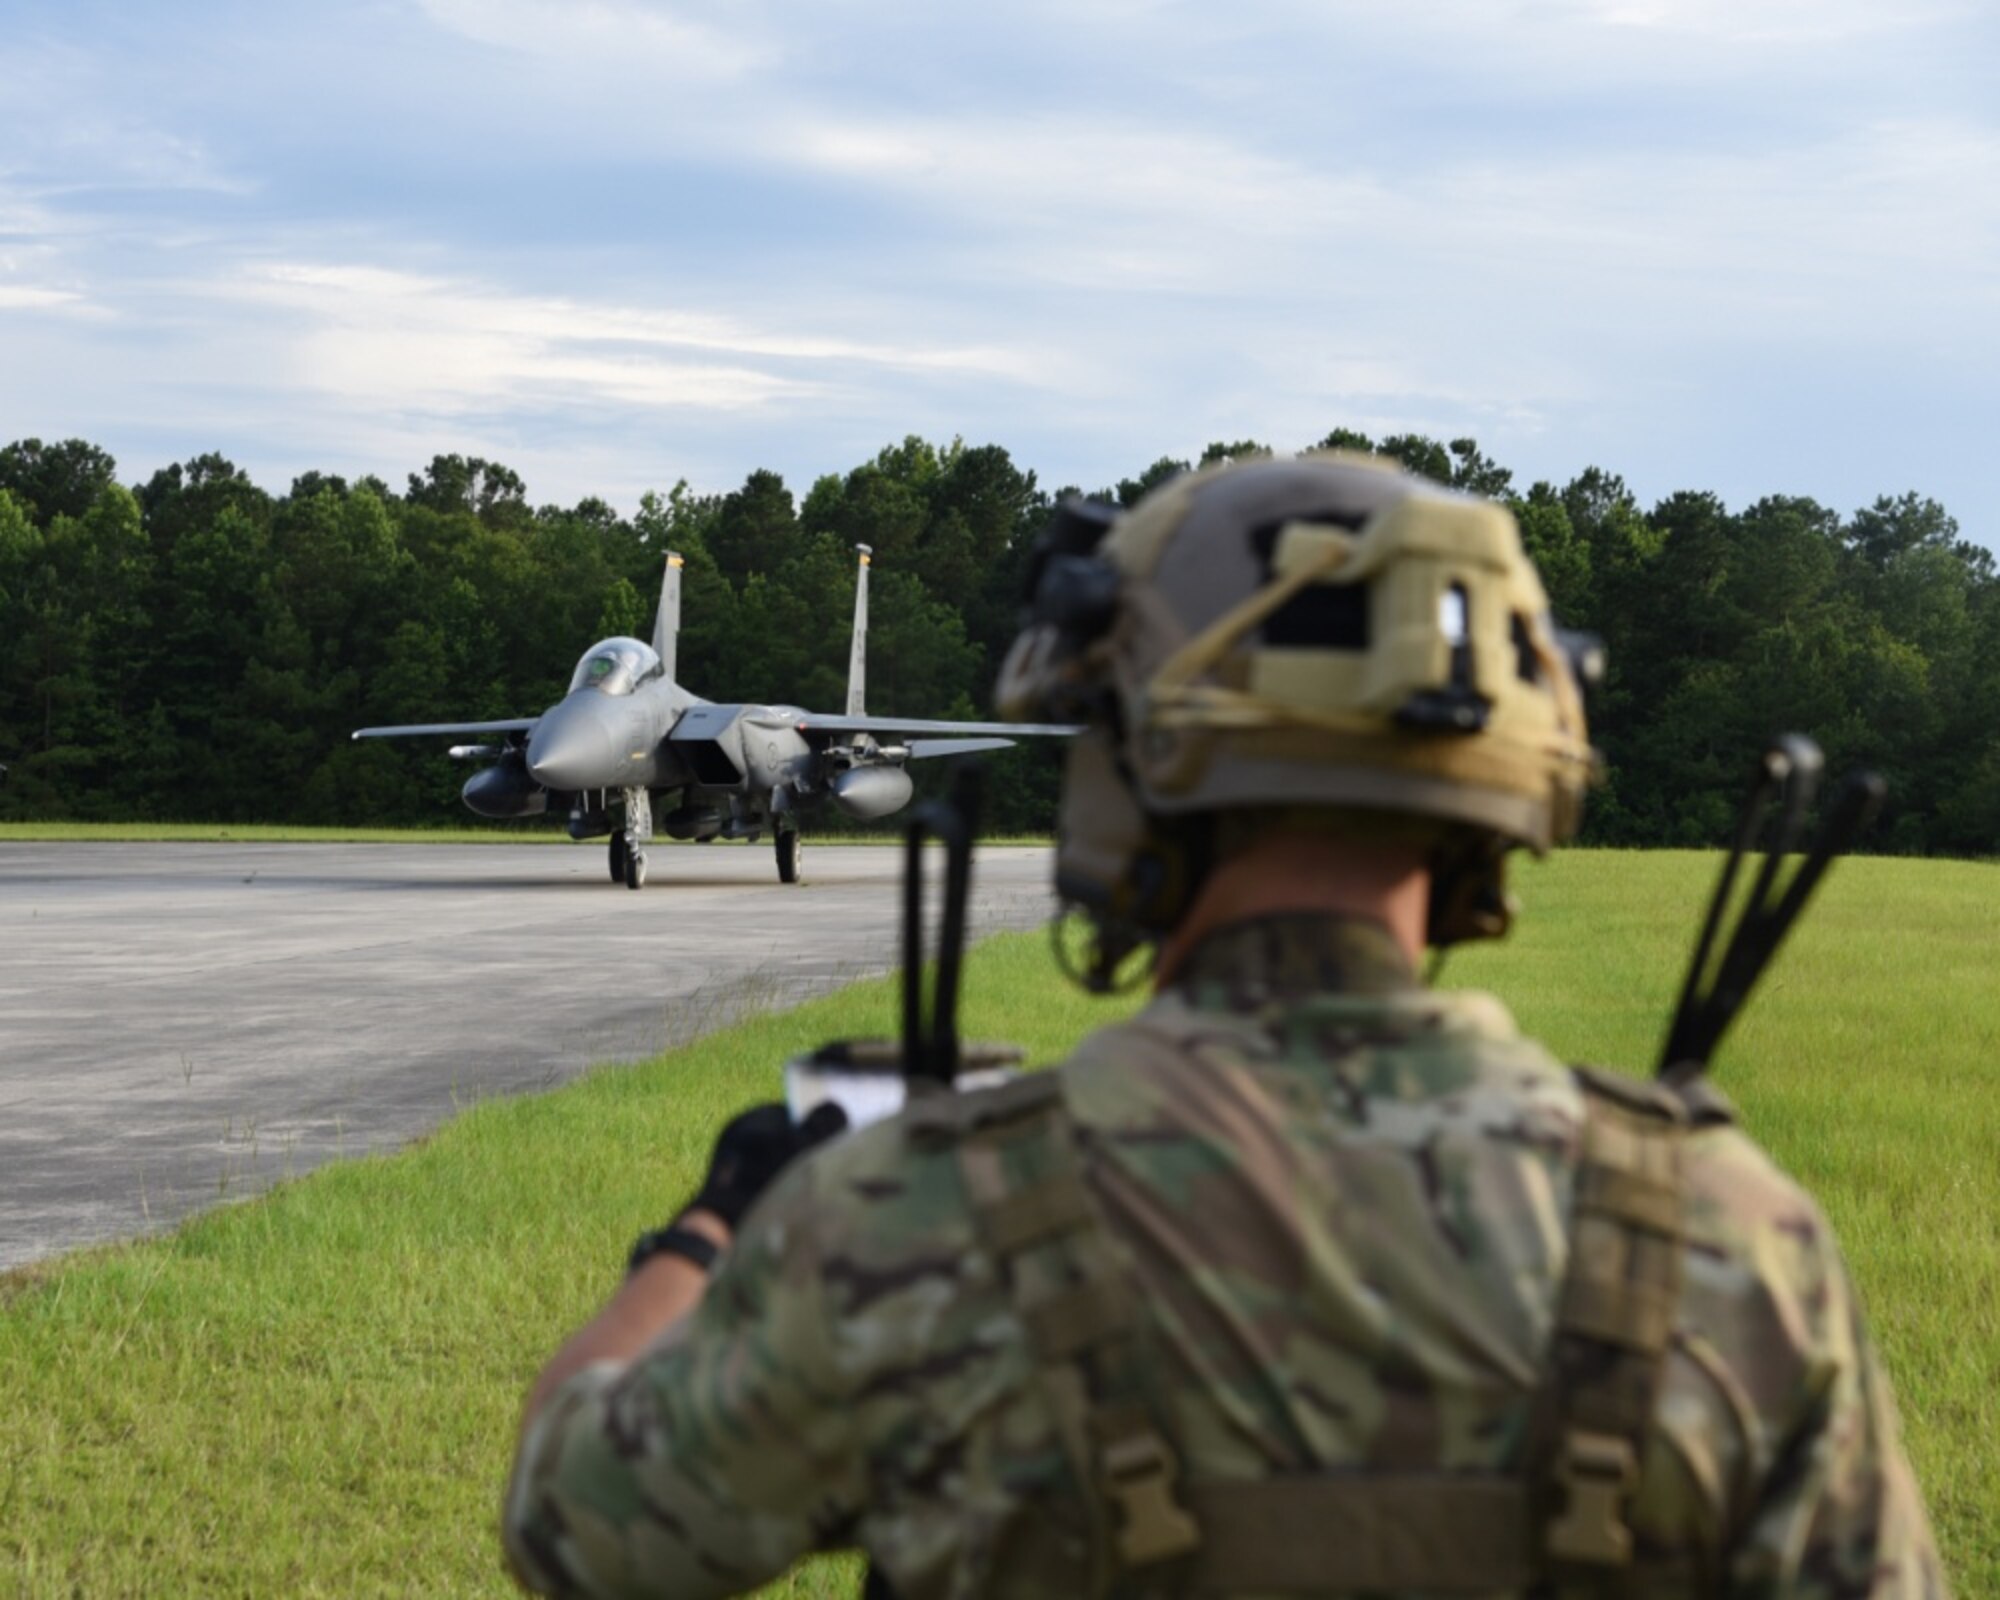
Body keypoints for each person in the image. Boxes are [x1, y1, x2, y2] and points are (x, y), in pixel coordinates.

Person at [502, 454, 1945, 1598]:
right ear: (1507, 807)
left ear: (1125, 775)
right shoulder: (1732, 1247)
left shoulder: (913, 1216)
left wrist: (717, 1227)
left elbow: (575, 1530)